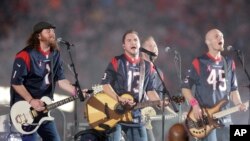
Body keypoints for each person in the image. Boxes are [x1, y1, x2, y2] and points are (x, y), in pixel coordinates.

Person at [10, 21, 86, 141]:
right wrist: (31, 100)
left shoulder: (55, 54)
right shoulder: (25, 55)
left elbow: (61, 80)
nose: (52, 34)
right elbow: (16, 83)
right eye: (48, 31)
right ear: (38, 36)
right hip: (25, 109)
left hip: (44, 108)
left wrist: (76, 91)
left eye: (53, 31)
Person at [181, 28, 246, 141]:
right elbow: (185, 88)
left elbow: (233, 90)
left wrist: (239, 103)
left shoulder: (229, 63)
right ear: (208, 42)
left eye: (222, 36)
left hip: (226, 118)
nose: (221, 38)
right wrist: (194, 105)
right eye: (216, 36)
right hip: (207, 120)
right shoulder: (199, 62)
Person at [101, 30, 165, 141]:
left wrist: (159, 102)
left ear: (139, 45)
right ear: (124, 46)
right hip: (116, 116)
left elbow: (150, 90)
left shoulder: (147, 66)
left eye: (135, 40)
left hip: (136, 116)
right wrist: (119, 99)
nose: (133, 43)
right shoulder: (117, 61)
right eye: (129, 40)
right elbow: (105, 84)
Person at [141, 36, 177, 141]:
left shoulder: (159, 72)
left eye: (155, 45)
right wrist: (171, 112)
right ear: (141, 50)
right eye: (150, 45)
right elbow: (151, 94)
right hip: (137, 117)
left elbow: (159, 99)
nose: (155, 48)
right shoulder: (138, 67)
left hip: (152, 119)